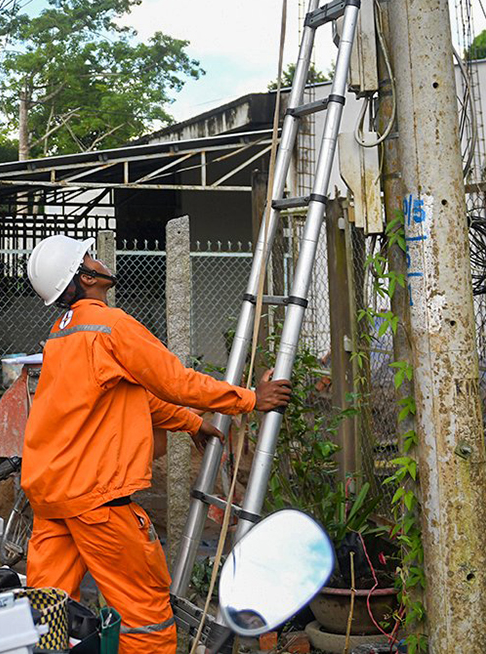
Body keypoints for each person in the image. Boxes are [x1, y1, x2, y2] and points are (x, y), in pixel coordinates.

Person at [19, 234, 293, 654]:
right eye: (89, 256)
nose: (97, 259)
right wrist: (251, 400)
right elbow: (175, 382)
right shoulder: (112, 326)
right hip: (96, 503)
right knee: (146, 620)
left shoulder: (61, 334)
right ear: (85, 277)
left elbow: (124, 396)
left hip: (51, 497)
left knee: (44, 619)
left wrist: (189, 424)